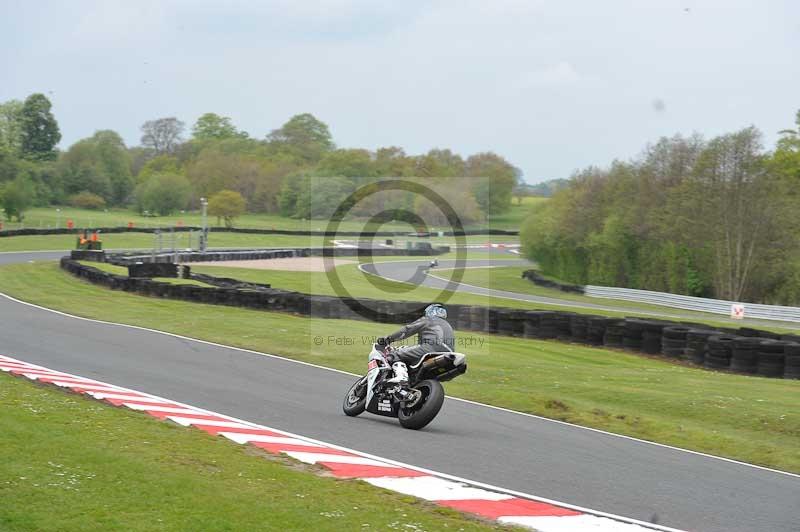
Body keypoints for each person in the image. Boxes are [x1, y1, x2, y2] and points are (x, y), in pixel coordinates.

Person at [376, 303, 454, 386]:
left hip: (431, 348)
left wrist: (388, 339)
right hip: (448, 353)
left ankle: (401, 376)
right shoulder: (448, 326)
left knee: (394, 355)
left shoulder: (428, 319)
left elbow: (407, 330)